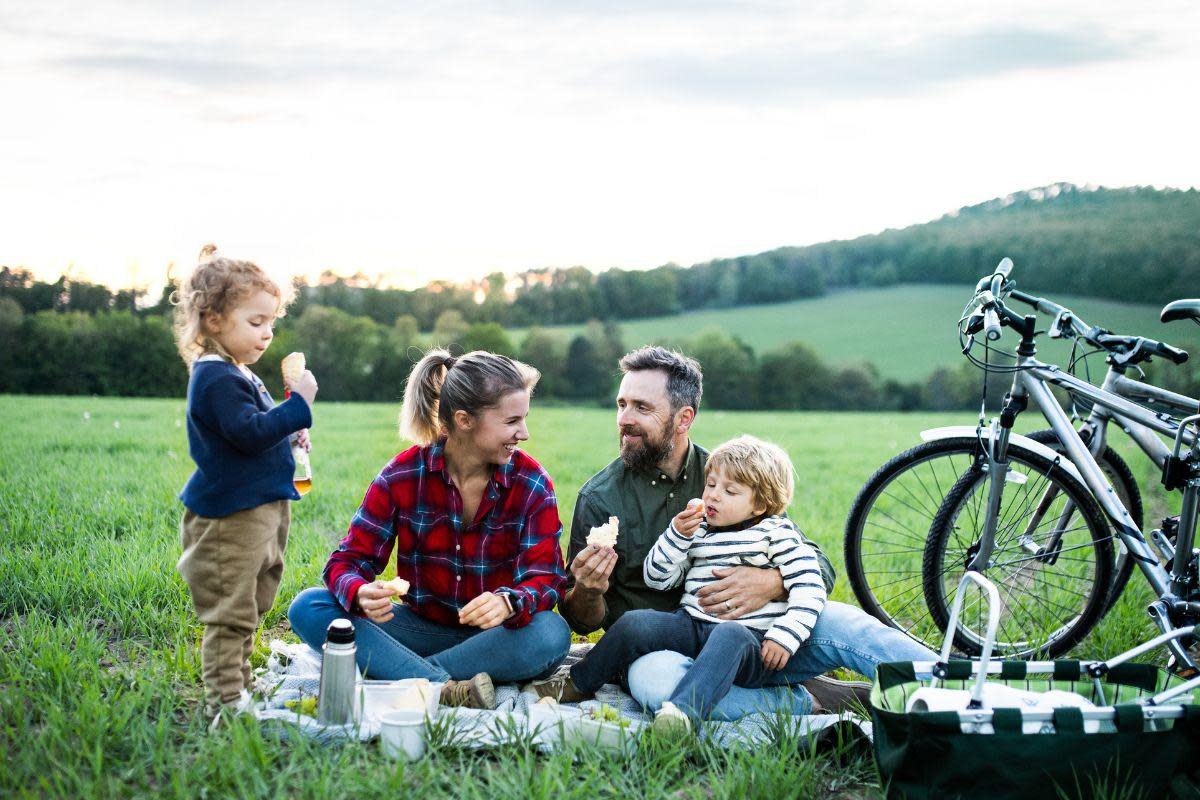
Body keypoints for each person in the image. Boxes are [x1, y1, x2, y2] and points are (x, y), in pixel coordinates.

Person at [558, 346, 937, 719]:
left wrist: (772, 583)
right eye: (621, 404)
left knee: (848, 624)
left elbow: (813, 562)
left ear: (683, 417)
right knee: (656, 686)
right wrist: (589, 589)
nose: (624, 418)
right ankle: (808, 700)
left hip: (759, 637)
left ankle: (964, 686)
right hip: (665, 647)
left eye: (641, 408)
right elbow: (582, 621)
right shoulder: (600, 498)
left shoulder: (728, 475)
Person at [288, 349, 571, 710]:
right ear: (465, 420)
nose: (524, 433)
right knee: (310, 605)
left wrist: (508, 601)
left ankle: (403, 678)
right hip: (417, 631)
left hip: (496, 639)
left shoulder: (532, 483)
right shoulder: (402, 475)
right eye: (512, 421)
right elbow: (348, 560)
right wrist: (358, 591)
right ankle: (442, 686)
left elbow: (545, 578)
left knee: (551, 633)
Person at [533, 435, 827, 735]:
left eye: (729, 491)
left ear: (760, 504)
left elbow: (810, 587)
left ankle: (681, 715)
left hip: (748, 642)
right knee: (635, 623)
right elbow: (657, 578)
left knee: (730, 634)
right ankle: (576, 683)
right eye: (711, 484)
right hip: (693, 625)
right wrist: (676, 536)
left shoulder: (777, 533)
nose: (713, 496)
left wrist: (784, 637)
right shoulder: (701, 530)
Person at [174, 243, 319, 717]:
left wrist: (290, 434)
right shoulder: (215, 377)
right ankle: (225, 701)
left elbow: (258, 431)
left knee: (256, 598)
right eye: (255, 323)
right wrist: (298, 406)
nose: (267, 334)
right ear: (214, 320)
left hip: (262, 507)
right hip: (231, 516)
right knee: (231, 611)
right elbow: (247, 432)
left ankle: (241, 683)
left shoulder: (237, 373)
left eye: (271, 323)